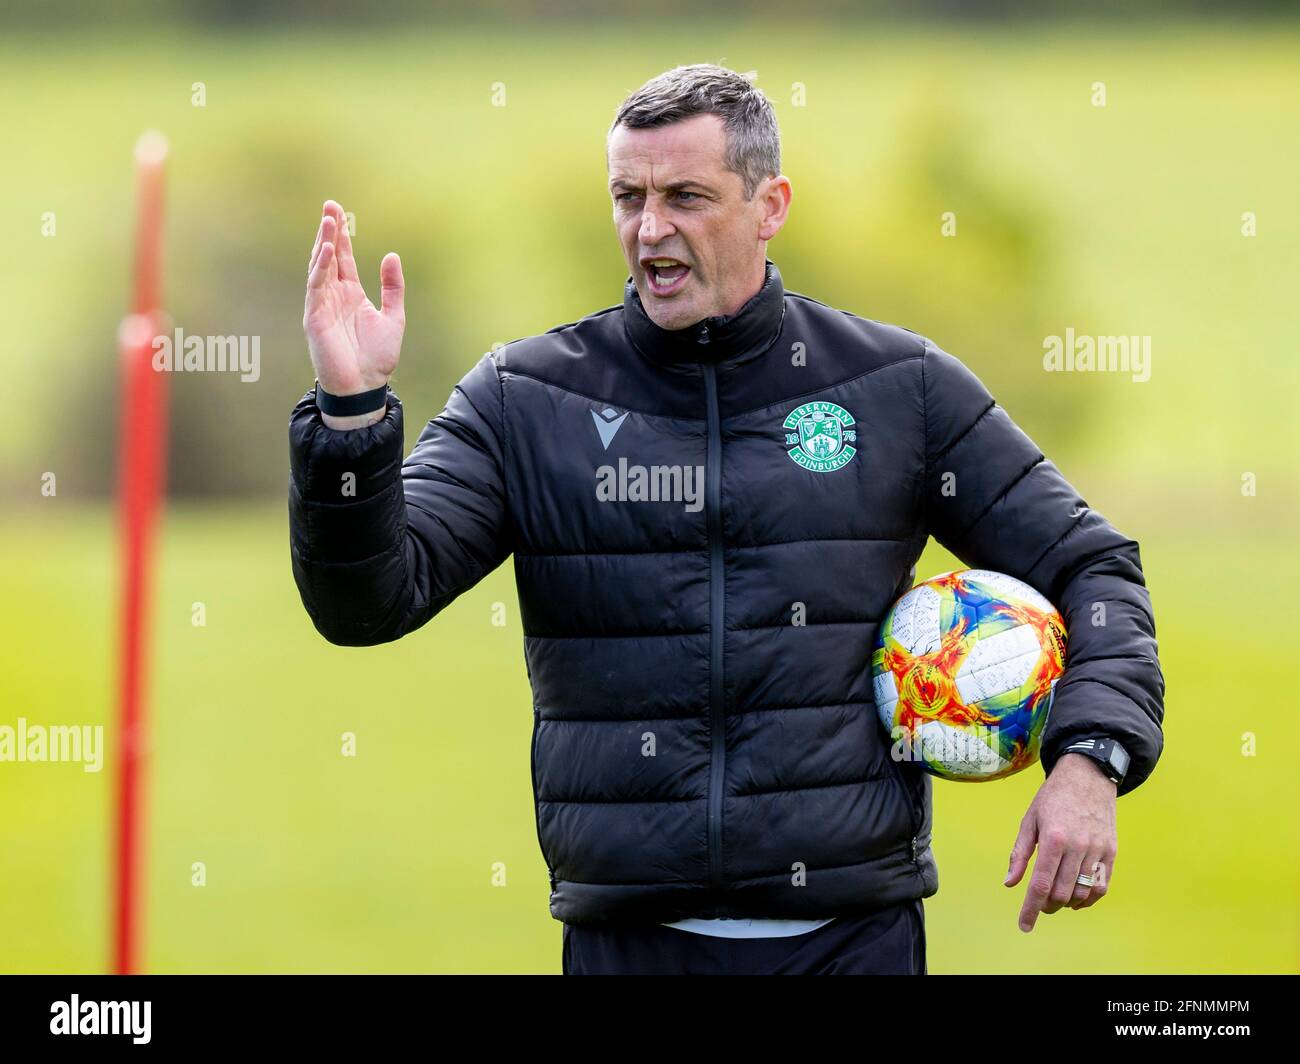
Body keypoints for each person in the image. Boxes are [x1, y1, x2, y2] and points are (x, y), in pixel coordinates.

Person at [289, 64, 1164, 975]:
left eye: (685, 196)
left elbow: (1093, 569)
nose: (649, 228)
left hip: (852, 945)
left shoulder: (897, 389)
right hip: (628, 945)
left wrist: (1092, 757)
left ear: (769, 204)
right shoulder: (526, 400)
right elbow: (366, 605)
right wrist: (351, 419)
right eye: (627, 196)